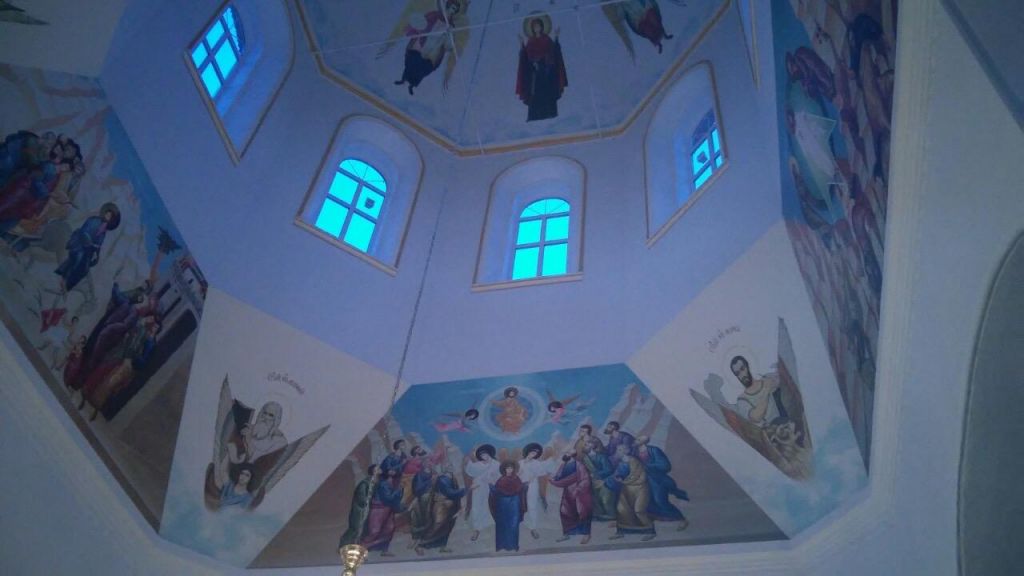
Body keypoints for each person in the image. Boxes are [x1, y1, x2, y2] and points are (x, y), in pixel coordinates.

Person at [54, 202, 120, 294]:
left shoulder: (104, 231)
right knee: (78, 258)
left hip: (88, 251)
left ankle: (67, 286)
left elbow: (98, 245)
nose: (107, 217)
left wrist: (96, 255)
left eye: (110, 217)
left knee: (85, 268)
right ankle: (64, 279)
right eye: (107, 214)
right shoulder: (94, 220)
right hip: (79, 243)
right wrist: (90, 243)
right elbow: (84, 232)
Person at [515, 16, 568, 121]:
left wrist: (556, 37)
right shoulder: (530, 42)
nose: (536, 28)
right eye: (534, 27)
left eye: (538, 26)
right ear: (532, 29)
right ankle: (535, 116)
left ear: (542, 27)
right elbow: (525, 58)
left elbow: (554, 53)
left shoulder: (547, 40)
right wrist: (522, 44)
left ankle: (550, 113)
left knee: (547, 94)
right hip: (535, 75)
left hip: (546, 74)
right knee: (535, 95)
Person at [635, 436, 689, 530]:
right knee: (646, 502)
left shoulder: (654, 450)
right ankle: (649, 521)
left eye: (638, 440)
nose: (635, 441)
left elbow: (665, 465)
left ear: (644, 442)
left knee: (660, 501)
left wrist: (647, 466)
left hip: (657, 481)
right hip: (642, 481)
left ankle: (681, 519)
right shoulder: (634, 452)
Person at [607, 444, 655, 541]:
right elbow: (617, 473)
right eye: (617, 450)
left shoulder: (633, 460)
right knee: (622, 510)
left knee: (639, 510)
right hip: (626, 489)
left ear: (626, 451)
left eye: (620, 450)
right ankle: (621, 531)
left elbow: (635, 475)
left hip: (639, 489)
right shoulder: (621, 462)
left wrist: (623, 481)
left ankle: (650, 531)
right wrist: (617, 477)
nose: (618, 452)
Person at [416, 463, 466, 554]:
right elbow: (449, 492)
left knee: (447, 526)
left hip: (450, 505)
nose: (451, 467)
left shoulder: (452, 477)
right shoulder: (442, 479)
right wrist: (465, 490)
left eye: (451, 465)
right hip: (441, 505)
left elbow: (454, 491)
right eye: (448, 466)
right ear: (444, 468)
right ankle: (420, 544)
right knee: (437, 525)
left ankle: (443, 546)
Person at [548, 450, 593, 544]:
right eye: (565, 452)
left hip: (579, 494)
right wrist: (553, 479)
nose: (565, 454)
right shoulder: (563, 465)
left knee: (583, 513)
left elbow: (585, 479)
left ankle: (586, 534)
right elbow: (559, 477)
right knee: (565, 512)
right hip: (567, 492)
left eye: (567, 453)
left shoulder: (579, 465)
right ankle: (567, 534)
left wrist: (578, 489)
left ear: (572, 455)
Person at [731, 356, 786, 427]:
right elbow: (756, 417)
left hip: (784, 422)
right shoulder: (742, 400)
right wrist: (766, 390)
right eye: (737, 373)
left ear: (747, 367)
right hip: (769, 431)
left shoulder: (766, 379)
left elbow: (782, 383)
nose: (742, 375)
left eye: (742, 369)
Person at [361, 467, 404, 557]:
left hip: (389, 509)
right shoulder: (383, 484)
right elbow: (388, 498)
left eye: (394, 470)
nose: (393, 471)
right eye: (391, 470)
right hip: (379, 509)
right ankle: (362, 550)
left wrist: (399, 492)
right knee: (374, 531)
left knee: (389, 529)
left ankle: (384, 549)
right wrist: (398, 491)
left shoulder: (395, 483)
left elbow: (397, 497)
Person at [517, 442, 557, 540]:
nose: (533, 455)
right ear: (527, 452)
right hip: (521, 486)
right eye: (532, 453)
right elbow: (516, 474)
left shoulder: (537, 463)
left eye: (535, 453)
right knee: (521, 504)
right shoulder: (520, 463)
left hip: (532, 486)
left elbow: (541, 473)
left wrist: (533, 476)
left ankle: (533, 528)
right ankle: (522, 523)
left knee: (532, 505)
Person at [464, 444, 500, 541]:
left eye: (485, 454)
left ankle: (494, 526)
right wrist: (468, 461)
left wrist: (492, 480)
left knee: (491, 506)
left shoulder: (496, 464)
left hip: (490, 489)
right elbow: (470, 470)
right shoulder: (477, 465)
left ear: (489, 454)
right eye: (482, 455)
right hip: (478, 488)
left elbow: (499, 476)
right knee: (477, 507)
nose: (484, 456)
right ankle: (477, 529)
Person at [489, 461, 526, 552]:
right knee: (502, 524)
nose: (509, 470)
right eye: (507, 468)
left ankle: (513, 545)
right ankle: (501, 545)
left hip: (514, 505)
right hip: (502, 505)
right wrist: (492, 488)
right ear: (504, 469)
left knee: (513, 525)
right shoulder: (500, 480)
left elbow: (520, 489)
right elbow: (497, 492)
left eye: (511, 468)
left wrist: (525, 486)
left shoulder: (517, 479)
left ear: (513, 469)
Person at [339, 465, 379, 547]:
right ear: (374, 472)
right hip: (359, 511)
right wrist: (368, 501)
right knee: (355, 529)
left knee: (363, 530)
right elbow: (361, 498)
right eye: (378, 469)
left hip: (367, 510)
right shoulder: (364, 484)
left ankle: (355, 546)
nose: (380, 471)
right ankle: (343, 545)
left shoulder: (375, 483)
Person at [580, 438, 617, 522]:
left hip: (603, 482)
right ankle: (598, 515)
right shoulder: (585, 458)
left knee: (605, 500)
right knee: (594, 500)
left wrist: (596, 474)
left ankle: (611, 516)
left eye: (586, 444)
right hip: (591, 482)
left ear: (592, 446)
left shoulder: (601, 457)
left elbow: (609, 470)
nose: (584, 446)